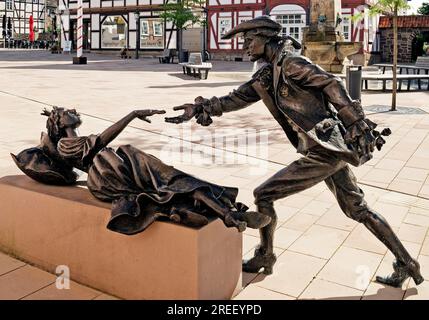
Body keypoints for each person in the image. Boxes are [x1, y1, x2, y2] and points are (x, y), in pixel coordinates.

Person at [164, 16, 423, 287]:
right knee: (358, 209)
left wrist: (354, 120)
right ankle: (407, 262)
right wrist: (202, 108)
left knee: (263, 195)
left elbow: (331, 83)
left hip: (325, 152)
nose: (245, 47)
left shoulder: (291, 63)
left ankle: (266, 255)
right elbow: (237, 98)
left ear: (265, 38)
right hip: (327, 150)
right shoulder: (268, 73)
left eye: (249, 41)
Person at [12, 107, 271, 235]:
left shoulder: (76, 141)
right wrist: (132, 114)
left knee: (171, 178)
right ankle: (225, 212)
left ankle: (227, 212)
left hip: (118, 161)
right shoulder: (65, 143)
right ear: (59, 122)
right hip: (106, 173)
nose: (72, 111)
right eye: (66, 112)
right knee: (167, 182)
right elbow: (101, 141)